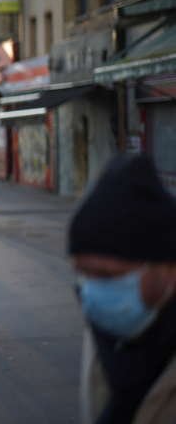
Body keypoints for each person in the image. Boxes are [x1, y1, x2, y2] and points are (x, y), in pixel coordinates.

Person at [69, 155, 176, 424]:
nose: (93, 291)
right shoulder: (104, 334)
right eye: (85, 274)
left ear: (168, 268)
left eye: (108, 275)